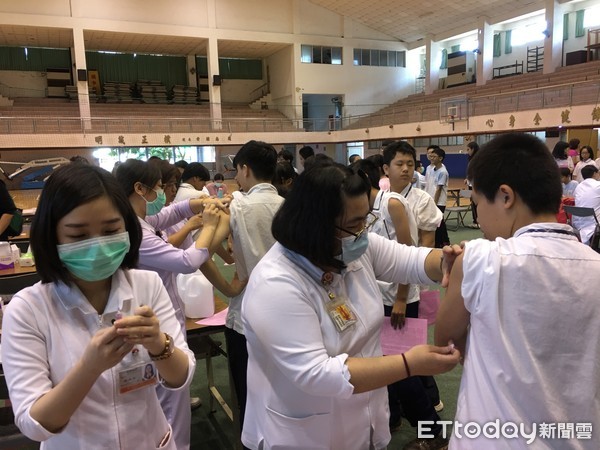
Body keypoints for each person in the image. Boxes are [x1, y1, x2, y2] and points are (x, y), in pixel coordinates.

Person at [241, 163, 461, 450]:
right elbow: (317, 374)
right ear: (316, 225)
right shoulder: (276, 284)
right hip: (305, 435)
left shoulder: (347, 246)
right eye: (354, 223)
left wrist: (446, 261)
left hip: (362, 418)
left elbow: (409, 260)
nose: (363, 232)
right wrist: (409, 364)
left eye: (365, 219)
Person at [2, 164, 194, 450]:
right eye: (78, 236)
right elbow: (35, 423)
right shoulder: (28, 310)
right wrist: (89, 368)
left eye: (111, 230)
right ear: (52, 237)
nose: (98, 246)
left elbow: (181, 376)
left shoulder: (147, 285)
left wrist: (158, 343)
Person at [435, 133, 600, 449]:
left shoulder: (479, 258)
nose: (479, 217)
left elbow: (447, 345)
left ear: (505, 196)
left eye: (478, 203)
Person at [115, 159, 231, 450]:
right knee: (170, 405)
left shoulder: (139, 218)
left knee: (168, 394)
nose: (161, 197)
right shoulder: (136, 232)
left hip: (163, 314)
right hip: (155, 326)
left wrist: (199, 203)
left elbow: (169, 213)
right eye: (157, 189)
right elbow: (186, 261)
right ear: (138, 189)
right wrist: (210, 225)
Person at [201, 140, 284, 440]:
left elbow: (200, 255)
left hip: (247, 315)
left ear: (245, 169)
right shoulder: (291, 206)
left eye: (237, 170)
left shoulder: (237, 206)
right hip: (290, 315)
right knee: (287, 396)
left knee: (251, 399)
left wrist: (228, 289)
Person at [424, 146, 450, 247]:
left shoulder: (443, 172)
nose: (431, 158)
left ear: (440, 158)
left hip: (439, 202)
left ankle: (443, 242)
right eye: (431, 156)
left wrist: (434, 203)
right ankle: (442, 242)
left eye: (434, 156)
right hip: (432, 199)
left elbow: (439, 189)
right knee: (438, 223)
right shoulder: (433, 169)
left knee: (439, 223)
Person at [573, 164, 600, 245]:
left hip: (577, 225)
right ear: (595, 174)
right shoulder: (598, 185)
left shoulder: (578, 187)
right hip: (594, 225)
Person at [464, 141, 479, 228]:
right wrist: (467, 178)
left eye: (468, 149)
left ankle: (477, 221)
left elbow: (476, 173)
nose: (467, 151)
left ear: (473, 149)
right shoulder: (471, 159)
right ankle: (475, 221)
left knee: (476, 203)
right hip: (470, 184)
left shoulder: (477, 159)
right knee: (473, 203)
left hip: (475, 185)